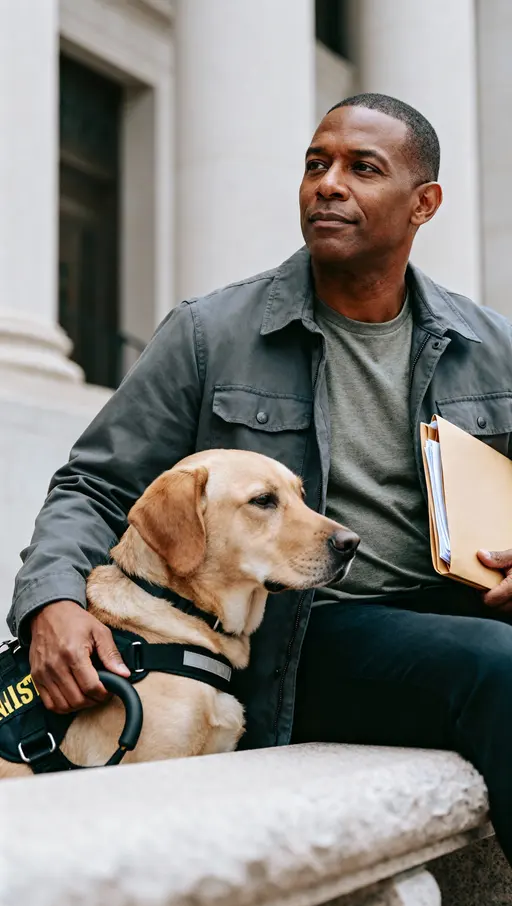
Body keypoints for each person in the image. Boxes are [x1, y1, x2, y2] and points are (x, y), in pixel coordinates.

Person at [9, 93, 512, 863]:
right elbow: (94, 486)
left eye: (361, 168)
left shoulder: (490, 344)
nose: (327, 184)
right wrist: (50, 599)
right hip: (311, 632)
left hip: (458, 604)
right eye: (317, 164)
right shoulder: (211, 334)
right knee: (496, 669)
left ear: (424, 204)